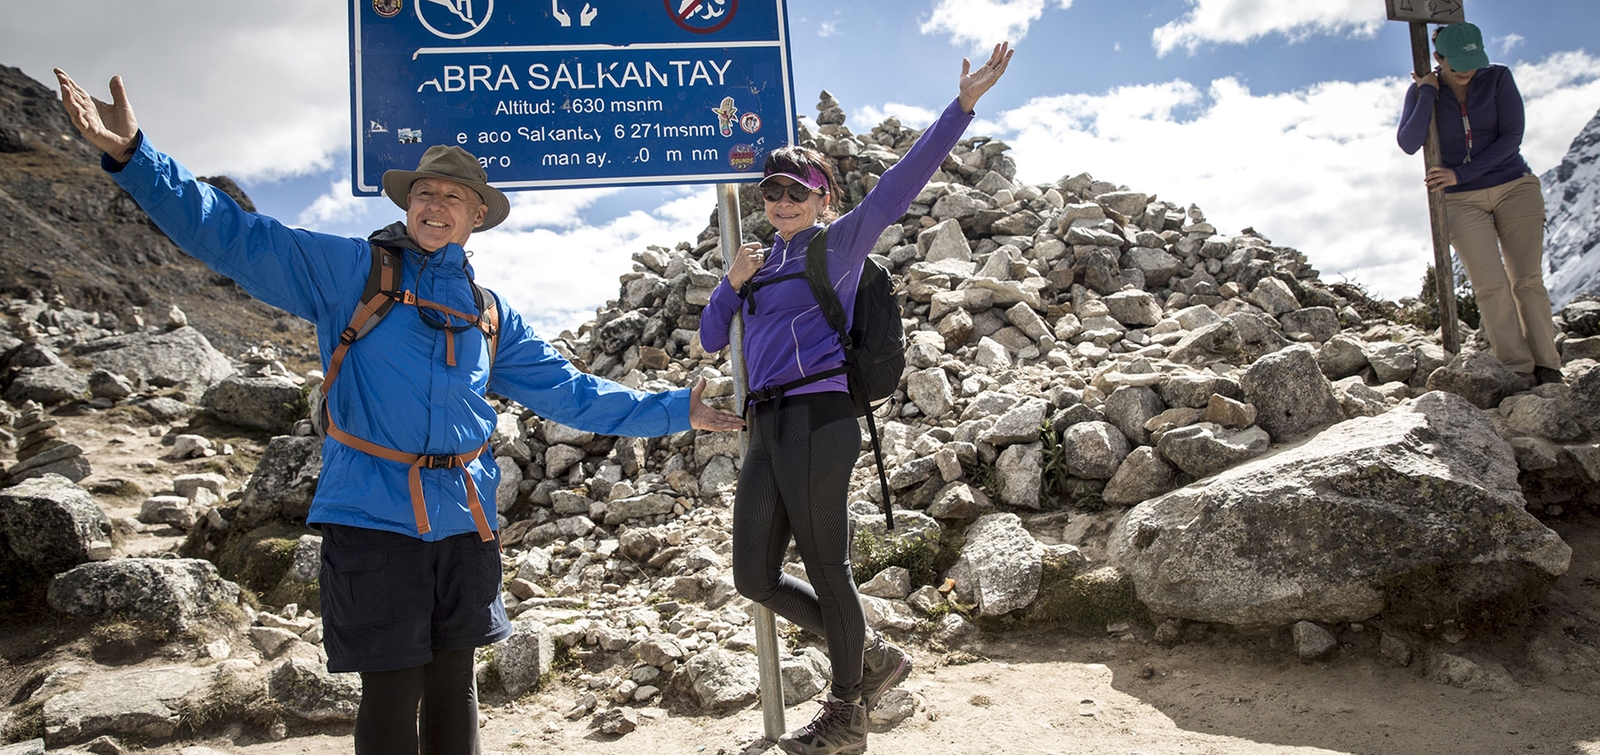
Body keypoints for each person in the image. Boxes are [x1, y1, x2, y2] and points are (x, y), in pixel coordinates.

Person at [54, 69, 744, 754]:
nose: (436, 205)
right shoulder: (350, 272)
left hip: (465, 521)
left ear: (477, 217)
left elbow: (575, 394)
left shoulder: (490, 313)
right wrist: (136, 158)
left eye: (454, 196)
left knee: (454, 685)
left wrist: (676, 410)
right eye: (425, 193)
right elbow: (235, 235)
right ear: (408, 205)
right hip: (372, 519)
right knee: (392, 690)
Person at [700, 42, 1013, 755]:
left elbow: (900, 185)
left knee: (825, 567)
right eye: (772, 192)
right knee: (753, 574)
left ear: (823, 198)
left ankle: (847, 713)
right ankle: (870, 656)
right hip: (766, 424)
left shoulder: (837, 245)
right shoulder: (756, 264)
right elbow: (712, 338)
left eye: (796, 191)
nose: (782, 202)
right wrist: (732, 282)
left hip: (820, 416)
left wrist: (961, 107)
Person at [1396, 22, 1563, 385]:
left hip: (1514, 186)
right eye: (1458, 63)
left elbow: (1511, 137)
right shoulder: (1424, 90)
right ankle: (1517, 369)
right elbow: (1409, 143)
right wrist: (1427, 93)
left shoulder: (1498, 78)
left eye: (1473, 61)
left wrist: (1460, 173)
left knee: (1527, 280)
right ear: (1439, 58)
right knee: (1490, 285)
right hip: (1460, 201)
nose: (1468, 70)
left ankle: (1549, 366)